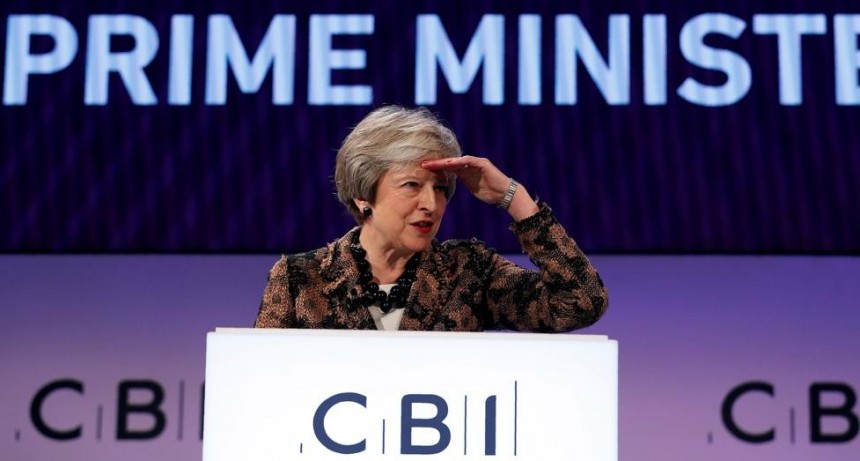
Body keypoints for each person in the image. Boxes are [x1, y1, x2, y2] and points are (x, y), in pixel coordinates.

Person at [254, 105, 608, 332]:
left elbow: (580, 302)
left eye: (440, 188)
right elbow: (261, 386)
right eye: (411, 185)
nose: (431, 203)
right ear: (364, 195)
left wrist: (514, 198)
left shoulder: (469, 271)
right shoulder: (299, 280)